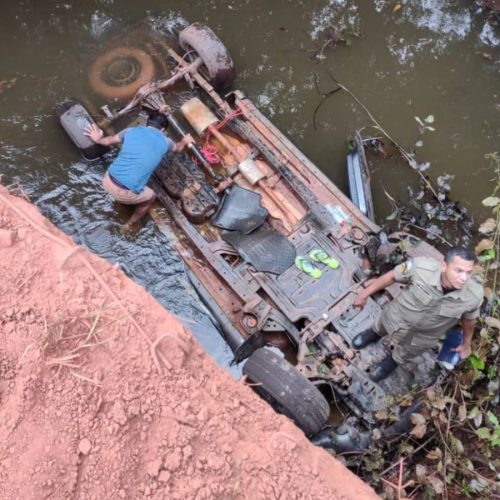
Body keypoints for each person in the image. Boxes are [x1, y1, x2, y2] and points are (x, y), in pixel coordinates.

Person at [352, 246, 483, 382]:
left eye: (469, 273)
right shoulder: (421, 268)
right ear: (444, 266)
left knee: (405, 353)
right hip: (395, 316)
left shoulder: (473, 295)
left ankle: (393, 361)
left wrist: (467, 344)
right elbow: (392, 276)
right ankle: (372, 334)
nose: (464, 278)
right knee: (381, 325)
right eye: (459, 271)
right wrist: (364, 294)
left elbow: (469, 319)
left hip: (422, 338)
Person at [84, 113, 192, 228]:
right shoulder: (166, 142)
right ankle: (130, 224)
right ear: (163, 130)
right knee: (151, 197)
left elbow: (109, 140)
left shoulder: (129, 131)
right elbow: (178, 148)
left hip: (106, 180)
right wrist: (185, 141)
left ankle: (119, 199)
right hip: (124, 193)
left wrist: (98, 139)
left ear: (147, 123)